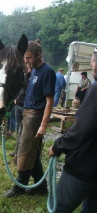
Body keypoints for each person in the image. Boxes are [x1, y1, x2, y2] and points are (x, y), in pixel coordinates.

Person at [3, 39, 56, 198]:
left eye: (28, 58)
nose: (26, 61)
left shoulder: (47, 72)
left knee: (26, 150)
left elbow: (49, 101)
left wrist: (43, 125)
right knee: (30, 150)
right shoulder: (32, 71)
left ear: (39, 55)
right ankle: (41, 187)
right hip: (27, 112)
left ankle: (20, 185)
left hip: (36, 115)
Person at [48, 49, 97, 212]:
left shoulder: (95, 89)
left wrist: (58, 146)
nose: (91, 64)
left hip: (84, 167)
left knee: (59, 208)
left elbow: (83, 127)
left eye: (93, 60)